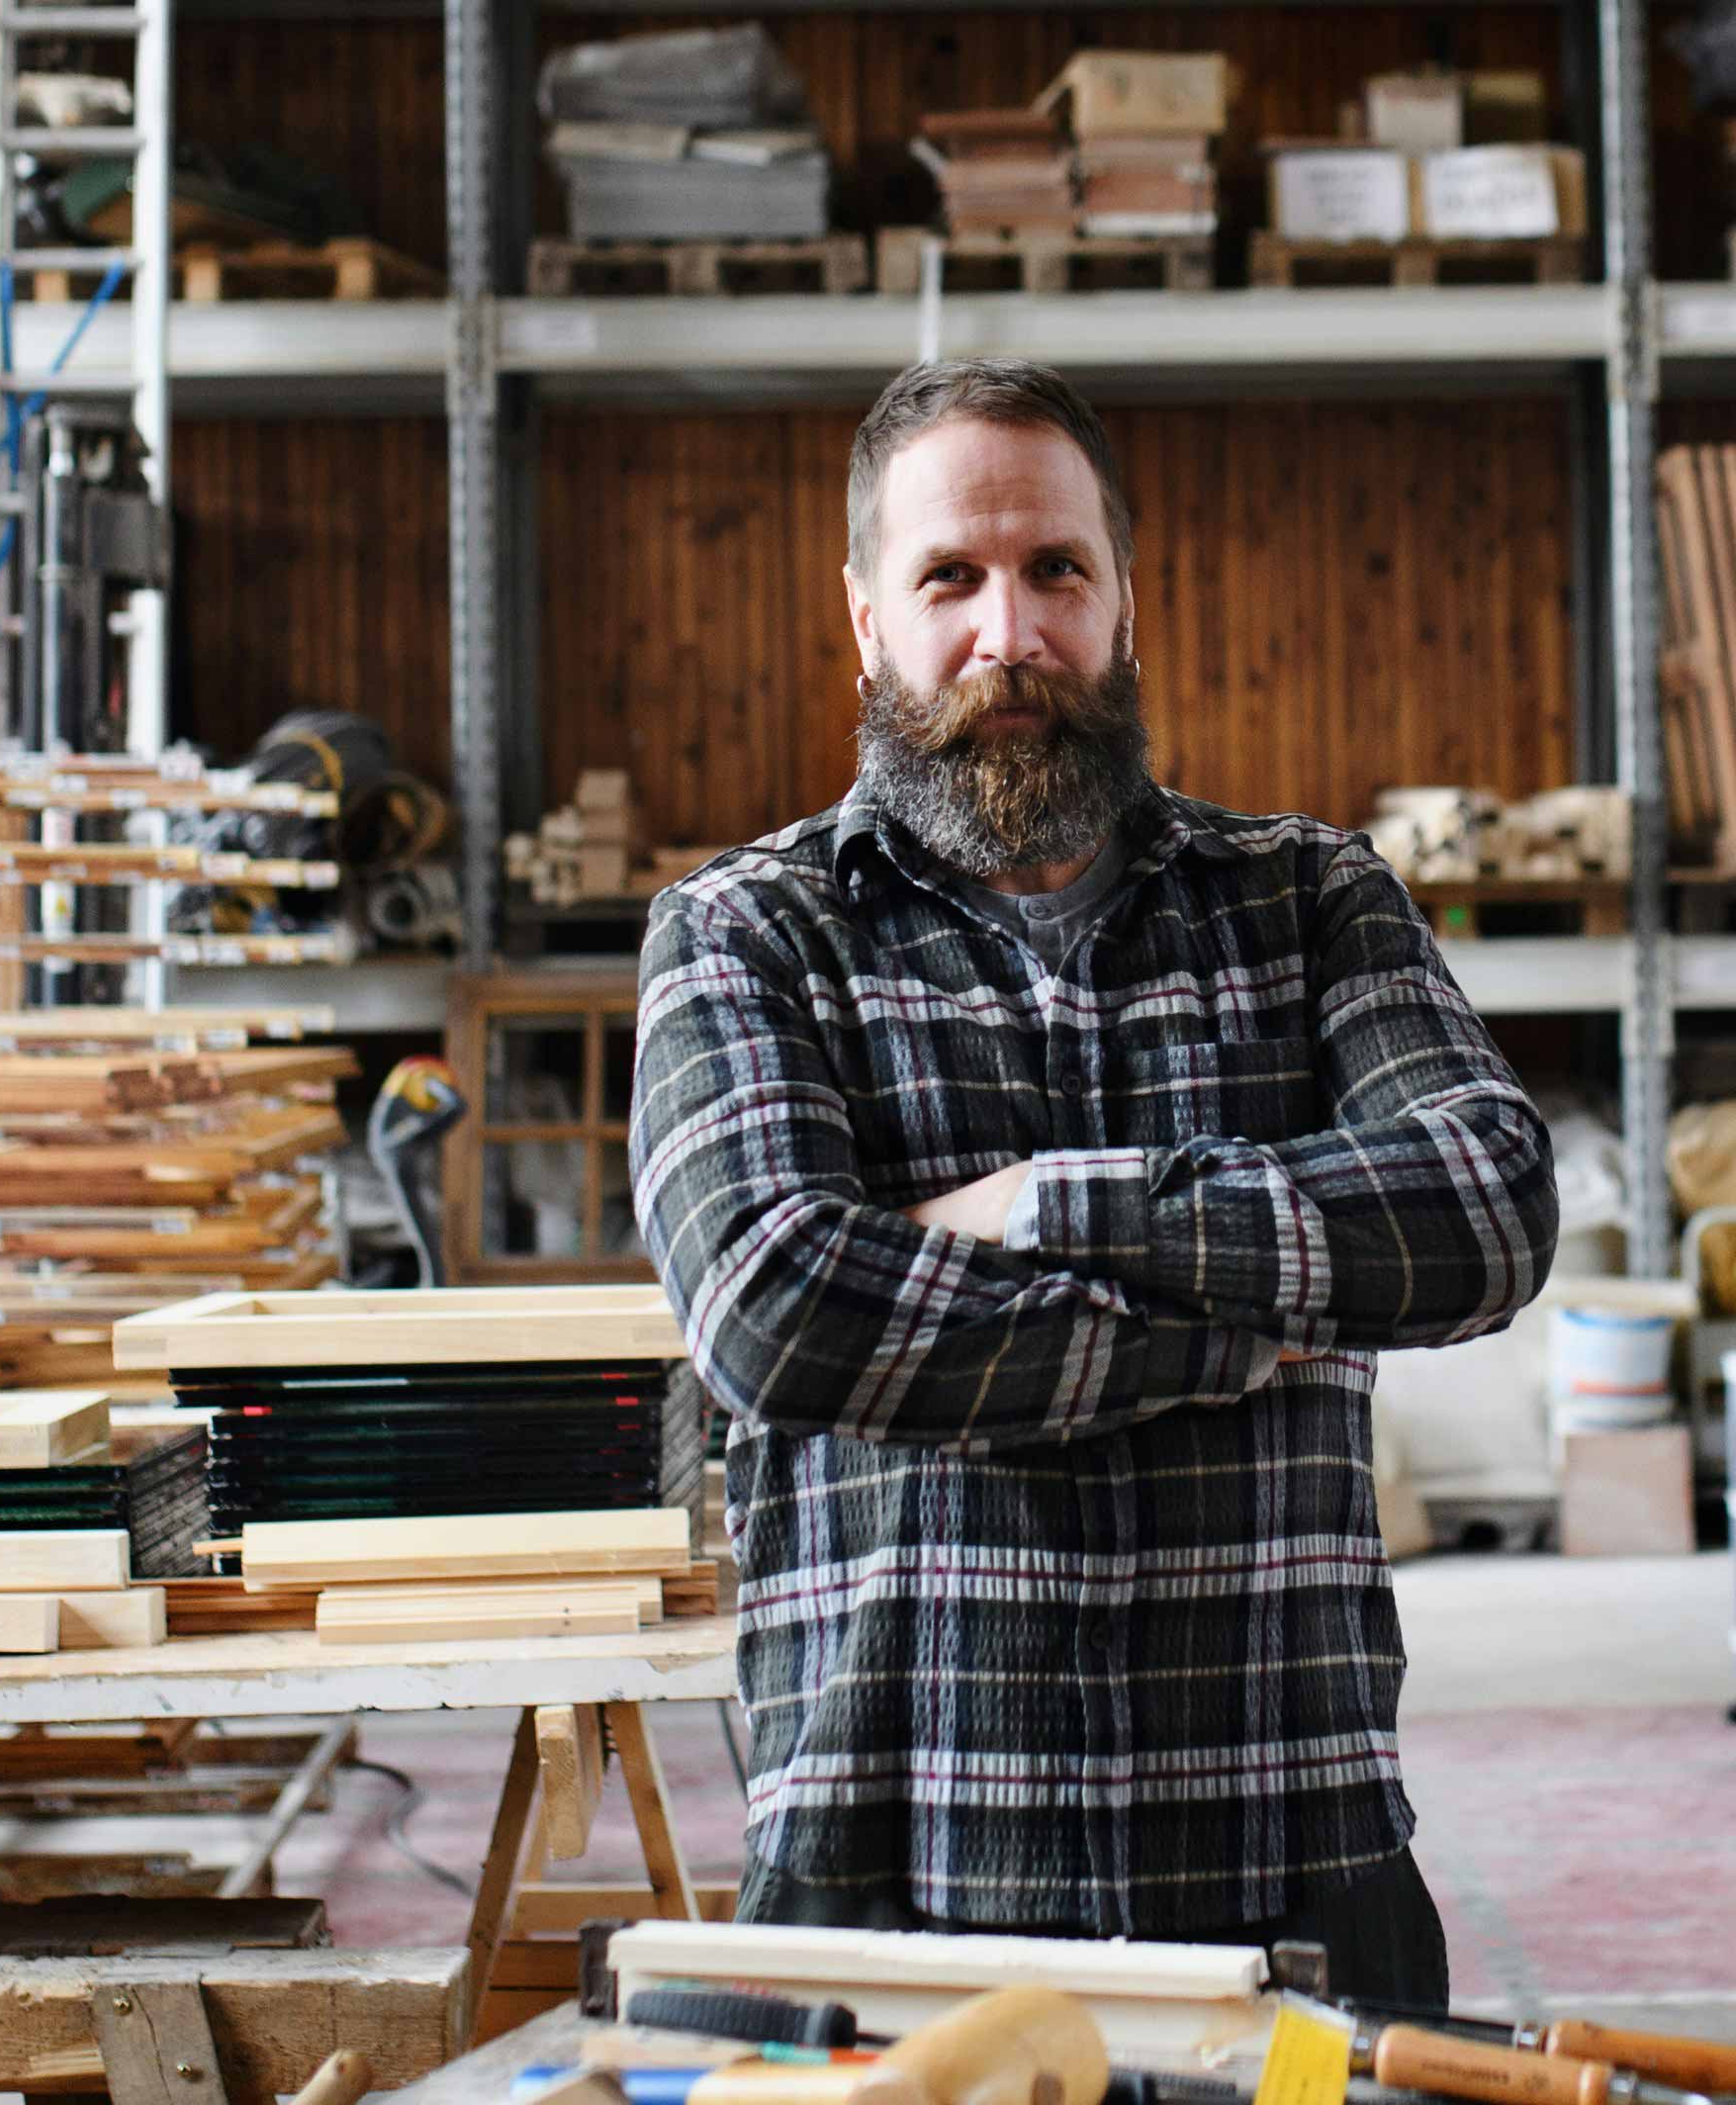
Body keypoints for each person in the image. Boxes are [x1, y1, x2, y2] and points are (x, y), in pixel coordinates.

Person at [627, 356, 1558, 2004]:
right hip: (890, 1874)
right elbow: (778, 1311)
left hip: (1298, 1869)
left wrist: (1052, 1204)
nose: (1011, 635)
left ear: (1126, 602)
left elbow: (1483, 1208)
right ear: (865, 621)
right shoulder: (748, 935)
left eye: (1057, 570)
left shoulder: (1310, 901)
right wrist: (1233, 1328)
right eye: (951, 579)